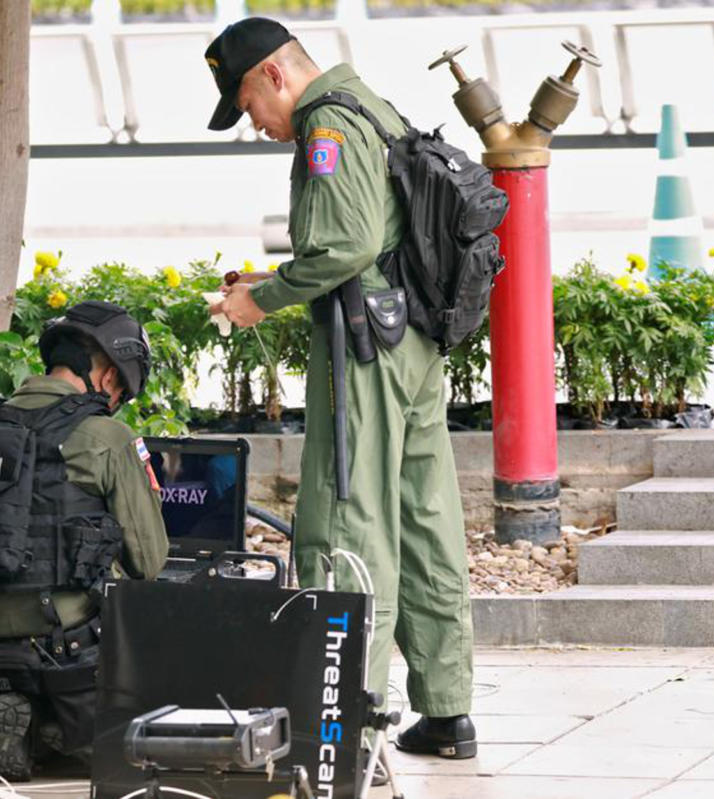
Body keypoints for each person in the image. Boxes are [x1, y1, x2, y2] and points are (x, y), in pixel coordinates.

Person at [203, 18, 477, 759]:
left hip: (364, 347)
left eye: (247, 106)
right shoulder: (370, 103)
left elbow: (348, 244)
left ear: (273, 76)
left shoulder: (327, 123)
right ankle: (448, 711)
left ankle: (346, 717)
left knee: (347, 517)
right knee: (424, 517)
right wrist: (271, 282)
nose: (255, 126)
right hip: (413, 336)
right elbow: (373, 237)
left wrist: (259, 300)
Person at [0, 301, 169, 781]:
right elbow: (149, 561)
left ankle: (13, 709)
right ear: (107, 375)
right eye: (121, 387)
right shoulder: (104, 434)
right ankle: (55, 734)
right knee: (146, 607)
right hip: (68, 640)